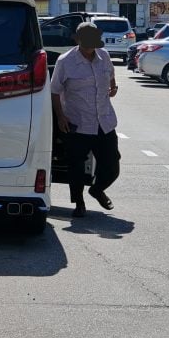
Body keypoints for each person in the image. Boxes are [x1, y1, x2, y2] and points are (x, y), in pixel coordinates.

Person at [50, 21, 121, 217]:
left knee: (112, 165)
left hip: (103, 121)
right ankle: (79, 203)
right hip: (77, 122)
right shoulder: (65, 61)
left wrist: (114, 86)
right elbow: (55, 91)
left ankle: (97, 189)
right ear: (78, 39)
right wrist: (60, 116)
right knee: (76, 167)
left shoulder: (104, 56)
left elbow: (112, 75)